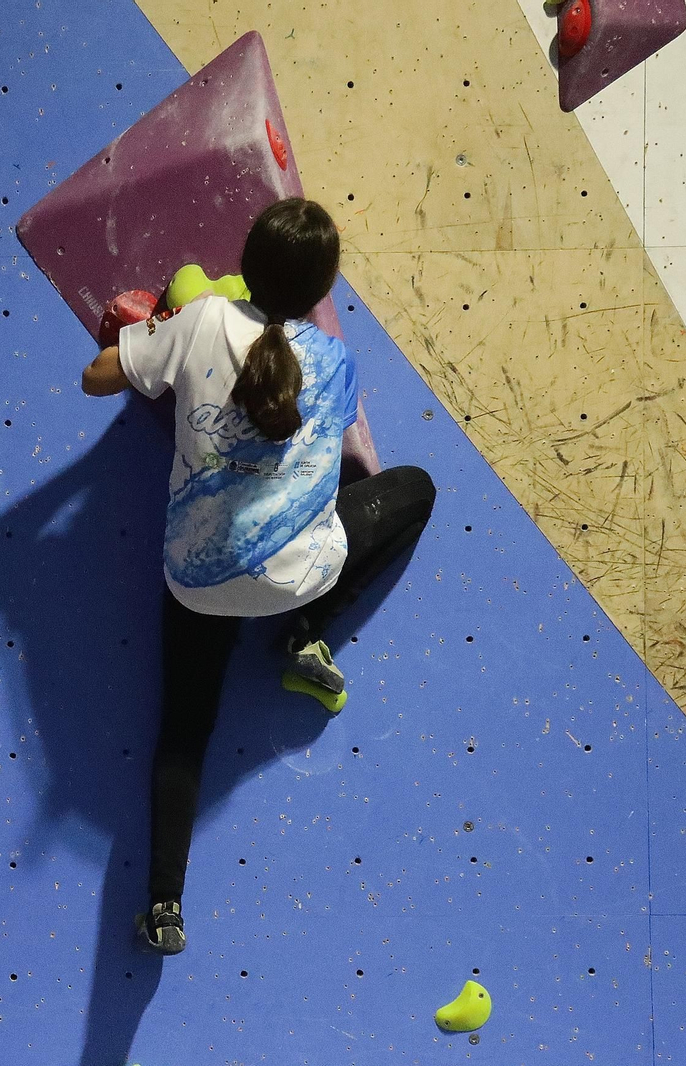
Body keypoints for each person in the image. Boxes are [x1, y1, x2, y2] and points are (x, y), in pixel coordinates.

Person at [80, 198, 437, 955]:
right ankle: (307, 633)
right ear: (322, 290)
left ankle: (165, 905)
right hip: (300, 574)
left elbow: (97, 378)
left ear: (244, 267)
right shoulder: (335, 363)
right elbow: (326, 439)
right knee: (414, 490)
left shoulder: (203, 320)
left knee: (185, 731)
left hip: (199, 581)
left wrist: (161, 333)